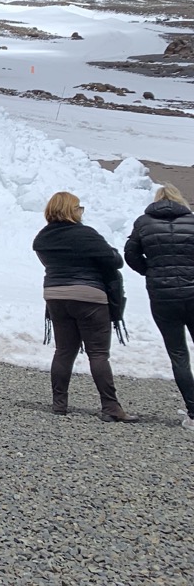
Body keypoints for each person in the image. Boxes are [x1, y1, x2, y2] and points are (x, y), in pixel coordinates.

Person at [33, 190, 138, 422]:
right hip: (89, 295)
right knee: (98, 353)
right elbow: (115, 261)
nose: (81, 211)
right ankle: (110, 407)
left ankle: (59, 404)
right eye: (78, 207)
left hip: (55, 296)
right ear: (72, 210)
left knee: (63, 350)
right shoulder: (86, 234)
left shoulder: (42, 238)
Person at [124, 183, 194, 431]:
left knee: (178, 354)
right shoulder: (192, 221)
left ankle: (193, 412)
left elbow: (130, 254)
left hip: (162, 296)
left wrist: (150, 271)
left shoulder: (144, 222)